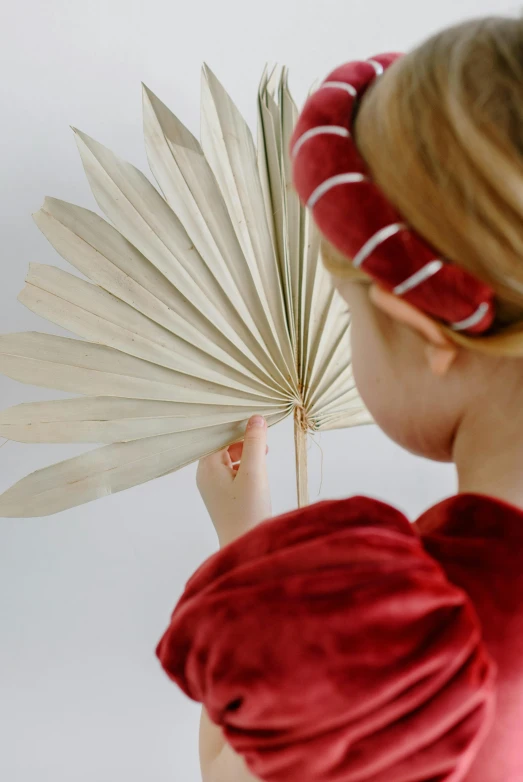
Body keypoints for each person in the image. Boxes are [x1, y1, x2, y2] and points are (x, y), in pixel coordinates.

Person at [156, 14, 523, 782]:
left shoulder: (415, 650)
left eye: (347, 309)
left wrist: (244, 544)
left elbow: (232, 770)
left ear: (420, 324)